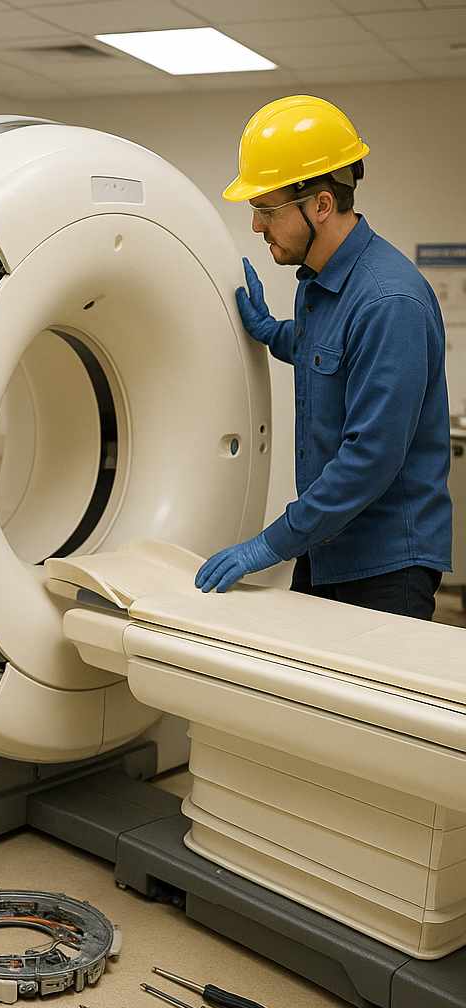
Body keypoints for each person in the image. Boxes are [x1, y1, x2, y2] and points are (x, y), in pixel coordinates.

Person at [195, 96, 451, 619]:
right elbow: (328, 352)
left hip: (385, 569)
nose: (256, 227)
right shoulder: (320, 284)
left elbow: (369, 459)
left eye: (266, 210)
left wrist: (268, 545)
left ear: (321, 205)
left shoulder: (389, 301)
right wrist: (272, 333)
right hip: (325, 549)